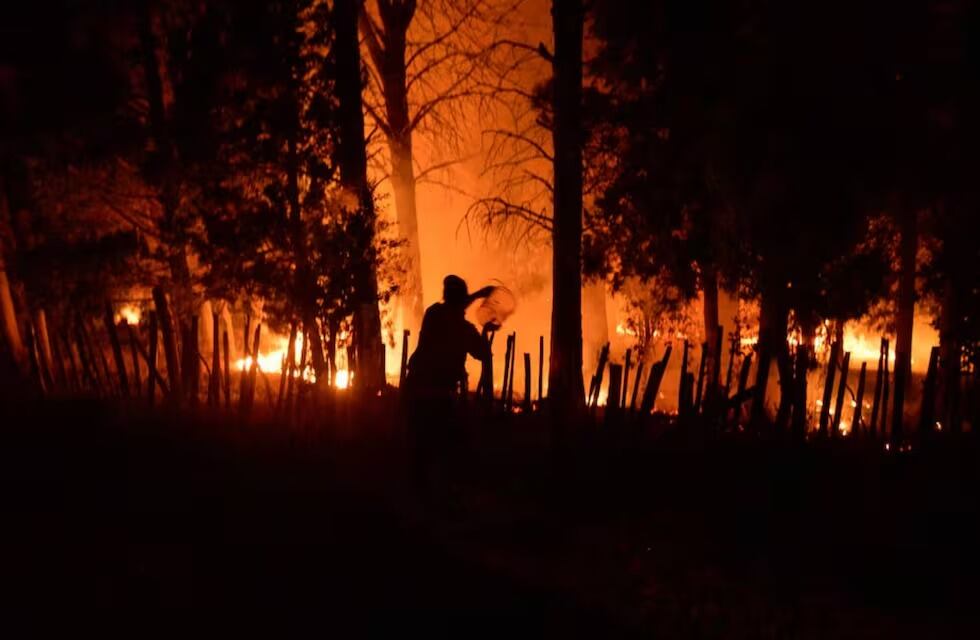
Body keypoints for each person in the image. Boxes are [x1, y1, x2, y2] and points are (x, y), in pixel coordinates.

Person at [404, 275, 495, 505]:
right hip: (440, 398)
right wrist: (485, 329)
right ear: (461, 301)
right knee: (446, 448)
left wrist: (477, 296)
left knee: (421, 448)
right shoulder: (464, 329)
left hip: (418, 392)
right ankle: (441, 498)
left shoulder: (434, 314)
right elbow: (483, 354)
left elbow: (453, 307)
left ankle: (419, 500)